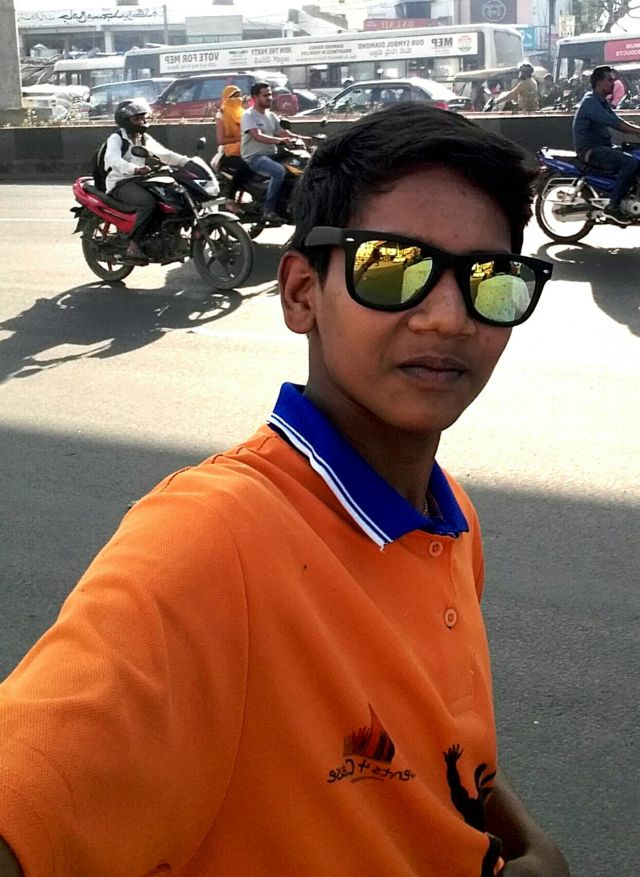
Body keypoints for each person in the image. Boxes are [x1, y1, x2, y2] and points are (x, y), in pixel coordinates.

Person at [0, 104, 570, 877]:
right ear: (302, 292)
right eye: (391, 266)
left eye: (490, 280)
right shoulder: (210, 539)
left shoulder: (451, 517)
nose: (448, 318)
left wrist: (528, 841)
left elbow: (441, 748)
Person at [105, 98, 188, 263]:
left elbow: (164, 154)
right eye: (136, 119)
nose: (141, 122)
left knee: (174, 195)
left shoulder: (143, 137)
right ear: (125, 120)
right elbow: (112, 159)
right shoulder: (116, 138)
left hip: (141, 180)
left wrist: (187, 162)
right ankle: (133, 245)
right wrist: (134, 169)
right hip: (121, 182)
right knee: (147, 202)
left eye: (143, 118)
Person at [573, 64, 640, 224]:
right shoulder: (590, 102)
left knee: (635, 153)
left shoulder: (601, 102)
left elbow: (617, 120)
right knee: (630, 162)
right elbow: (614, 123)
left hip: (603, 148)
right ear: (599, 83)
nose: (613, 83)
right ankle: (613, 206)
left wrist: (635, 129)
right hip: (591, 151)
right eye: (609, 80)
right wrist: (637, 131)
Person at [240, 80, 296, 224]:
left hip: (272, 155)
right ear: (255, 97)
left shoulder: (271, 116)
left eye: (270, 95)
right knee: (279, 171)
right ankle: (268, 210)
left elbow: (284, 133)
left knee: (297, 167)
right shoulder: (248, 115)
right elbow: (257, 136)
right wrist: (279, 141)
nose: (269, 98)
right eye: (265, 95)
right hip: (255, 157)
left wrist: (307, 139)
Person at [214, 84, 248, 210]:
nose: (238, 99)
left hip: (247, 148)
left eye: (239, 96)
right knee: (244, 165)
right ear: (226, 99)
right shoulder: (222, 115)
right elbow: (221, 140)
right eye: (234, 97)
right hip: (228, 153)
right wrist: (241, 138)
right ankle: (230, 197)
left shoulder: (244, 114)